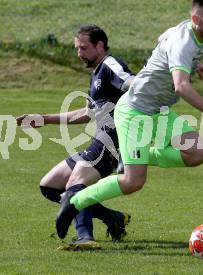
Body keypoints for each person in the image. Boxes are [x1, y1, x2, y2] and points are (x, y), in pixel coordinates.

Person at [55, 0, 203, 239]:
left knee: (196, 152)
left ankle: (132, 155)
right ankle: (76, 200)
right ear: (196, 18)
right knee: (133, 182)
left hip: (158, 111)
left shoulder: (186, 31)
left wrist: (194, 65)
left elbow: (162, 39)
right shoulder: (184, 42)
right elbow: (181, 87)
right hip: (135, 112)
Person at [16, 25, 134, 250]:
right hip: (100, 138)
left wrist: (150, 86)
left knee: (75, 184)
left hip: (113, 140)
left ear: (100, 45)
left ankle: (84, 237)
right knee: (50, 186)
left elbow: (131, 81)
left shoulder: (109, 65)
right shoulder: (96, 73)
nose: (79, 53)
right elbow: (87, 113)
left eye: (84, 48)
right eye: (77, 48)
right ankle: (113, 218)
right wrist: (43, 119)